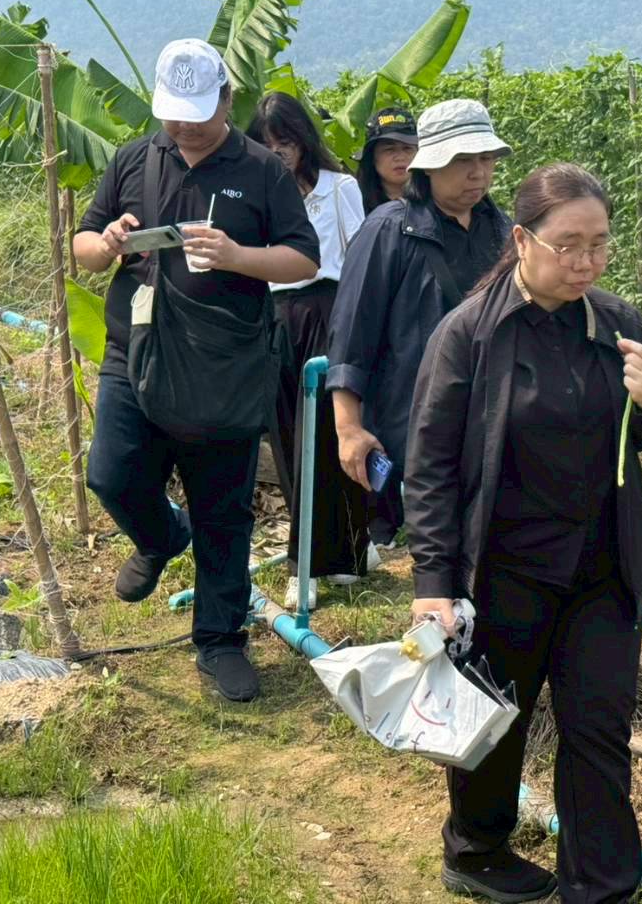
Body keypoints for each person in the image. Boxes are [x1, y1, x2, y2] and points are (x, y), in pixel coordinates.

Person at [407, 164, 642, 904]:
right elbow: (429, 467)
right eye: (568, 246)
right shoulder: (471, 334)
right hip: (504, 568)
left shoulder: (619, 324)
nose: (585, 262)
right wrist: (433, 585)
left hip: (600, 567)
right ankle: (475, 850)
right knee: (496, 723)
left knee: (597, 727)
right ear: (522, 240)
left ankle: (602, 884)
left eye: (598, 244)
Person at [74, 39, 319, 703]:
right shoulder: (133, 159)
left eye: (197, 115)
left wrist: (239, 255)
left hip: (226, 358)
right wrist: (109, 243)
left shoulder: (262, 170)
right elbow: (85, 246)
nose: (183, 128)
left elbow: (303, 259)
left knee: (224, 505)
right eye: (172, 115)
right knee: (112, 472)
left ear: (227, 100)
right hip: (137, 349)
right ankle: (159, 536)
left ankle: (219, 639)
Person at [327, 99, 511, 547]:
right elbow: (352, 335)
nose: (478, 173)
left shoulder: (501, 230)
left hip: (493, 409)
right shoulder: (388, 231)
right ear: (429, 164)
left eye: (485, 159)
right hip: (418, 416)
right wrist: (348, 427)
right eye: (463, 160)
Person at [247, 92, 375, 610]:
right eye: (269, 143)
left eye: (287, 142)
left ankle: (333, 555)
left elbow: (359, 257)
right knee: (288, 439)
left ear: (303, 141)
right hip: (275, 318)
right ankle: (318, 556)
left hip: (328, 312)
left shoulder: (339, 187)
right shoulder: (260, 193)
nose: (279, 153)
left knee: (325, 434)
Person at [355, 106, 418, 213]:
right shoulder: (356, 204)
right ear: (372, 157)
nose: (400, 157)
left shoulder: (437, 200)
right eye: (390, 149)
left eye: (407, 148)